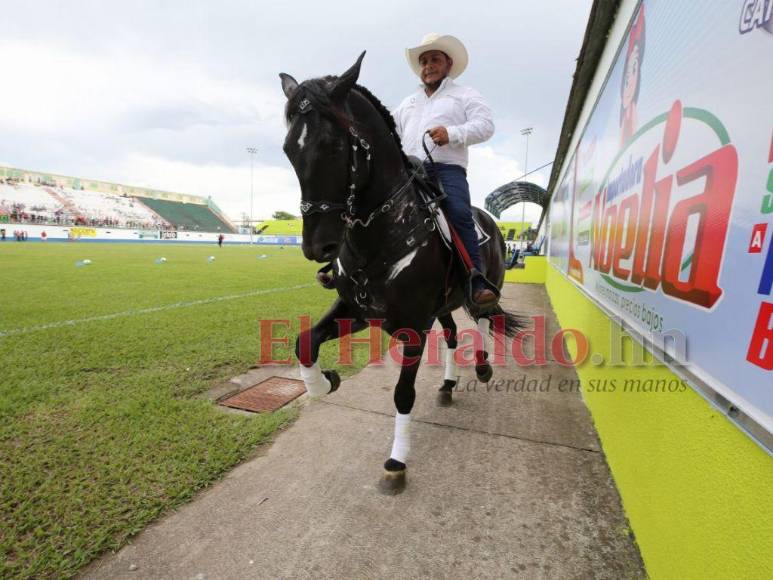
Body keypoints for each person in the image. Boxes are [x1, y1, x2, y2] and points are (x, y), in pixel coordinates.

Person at [393, 33, 498, 307]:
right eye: (424, 61)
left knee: (460, 212)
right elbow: (390, 132)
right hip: (408, 172)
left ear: (448, 63)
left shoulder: (465, 95)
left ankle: (475, 279)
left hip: (446, 170)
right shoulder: (408, 103)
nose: (428, 65)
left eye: (435, 59)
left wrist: (451, 133)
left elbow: (486, 126)